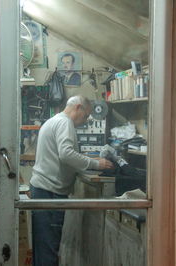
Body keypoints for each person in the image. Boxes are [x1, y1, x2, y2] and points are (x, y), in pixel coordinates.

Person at [30, 95, 113, 266]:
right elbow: (66, 154)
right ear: (78, 108)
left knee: (43, 248)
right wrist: (96, 164)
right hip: (50, 193)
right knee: (49, 249)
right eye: (86, 115)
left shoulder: (54, 121)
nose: (85, 120)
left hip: (43, 190)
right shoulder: (65, 123)